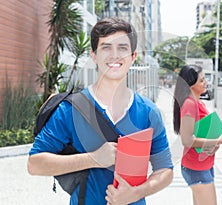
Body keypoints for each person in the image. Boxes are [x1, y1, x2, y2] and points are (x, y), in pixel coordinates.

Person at [27, 17, 173, 205]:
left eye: (122, 48)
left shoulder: (149, 112)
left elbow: (165, 170)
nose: (114, 55)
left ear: (133, 56)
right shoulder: (70, 109)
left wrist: (137, 193)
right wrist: (93, 159)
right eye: (106, 47)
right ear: (94, 55)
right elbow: (34, 163)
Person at [173, 64, 222, 205]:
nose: (206, 83)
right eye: (201, 80)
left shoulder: (198, 103)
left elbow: (198, 135)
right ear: (190, 84)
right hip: (196, 168)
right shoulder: (189, 104)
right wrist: (218, 141)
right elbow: (187, 140)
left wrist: (212, 146)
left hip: (203, 165)